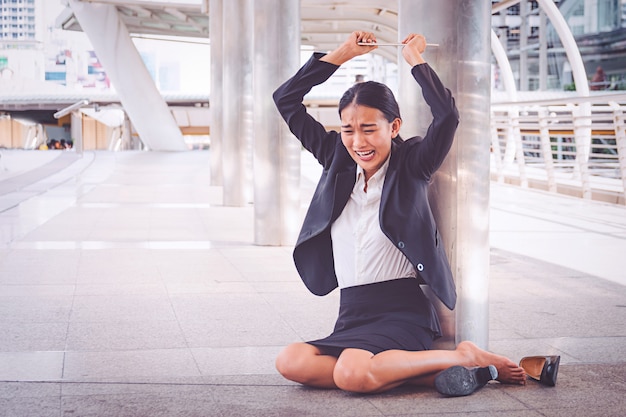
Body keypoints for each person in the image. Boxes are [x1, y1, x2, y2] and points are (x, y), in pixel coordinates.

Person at [272, 31, 527, 396]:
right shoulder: (335, 160)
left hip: (401, 311)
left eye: (369, 129)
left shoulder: (412, 164)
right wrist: (342, 54)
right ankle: (432, 372)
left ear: (394, 127)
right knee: (291, 361)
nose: (358, 142)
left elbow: (447, 116)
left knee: (350, 374)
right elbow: (285, 99)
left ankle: (464, 356)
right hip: (352, 311)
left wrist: (415, 60)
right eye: (348, 130)